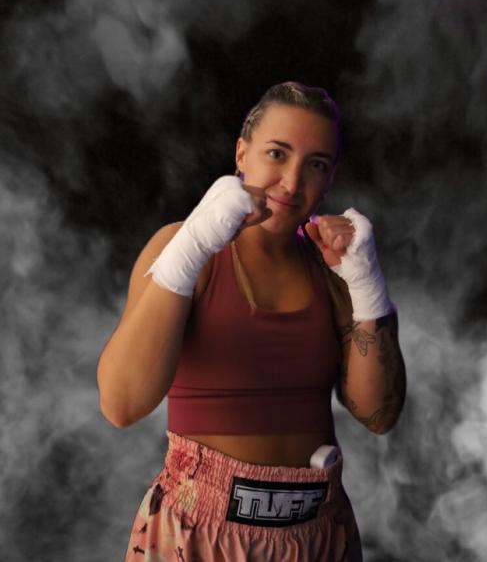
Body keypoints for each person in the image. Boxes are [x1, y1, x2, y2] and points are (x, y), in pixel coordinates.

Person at [97, 81, 406, 561]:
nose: (292, 182)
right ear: (242, 153)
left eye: (316, 164)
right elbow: (121, 405)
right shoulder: (184, 247)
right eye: (277, 154)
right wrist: (194, 245)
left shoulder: (336, 269)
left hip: (318, 535)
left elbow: (379, 415)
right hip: (198, 534)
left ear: (330, 177)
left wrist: (367, 285)